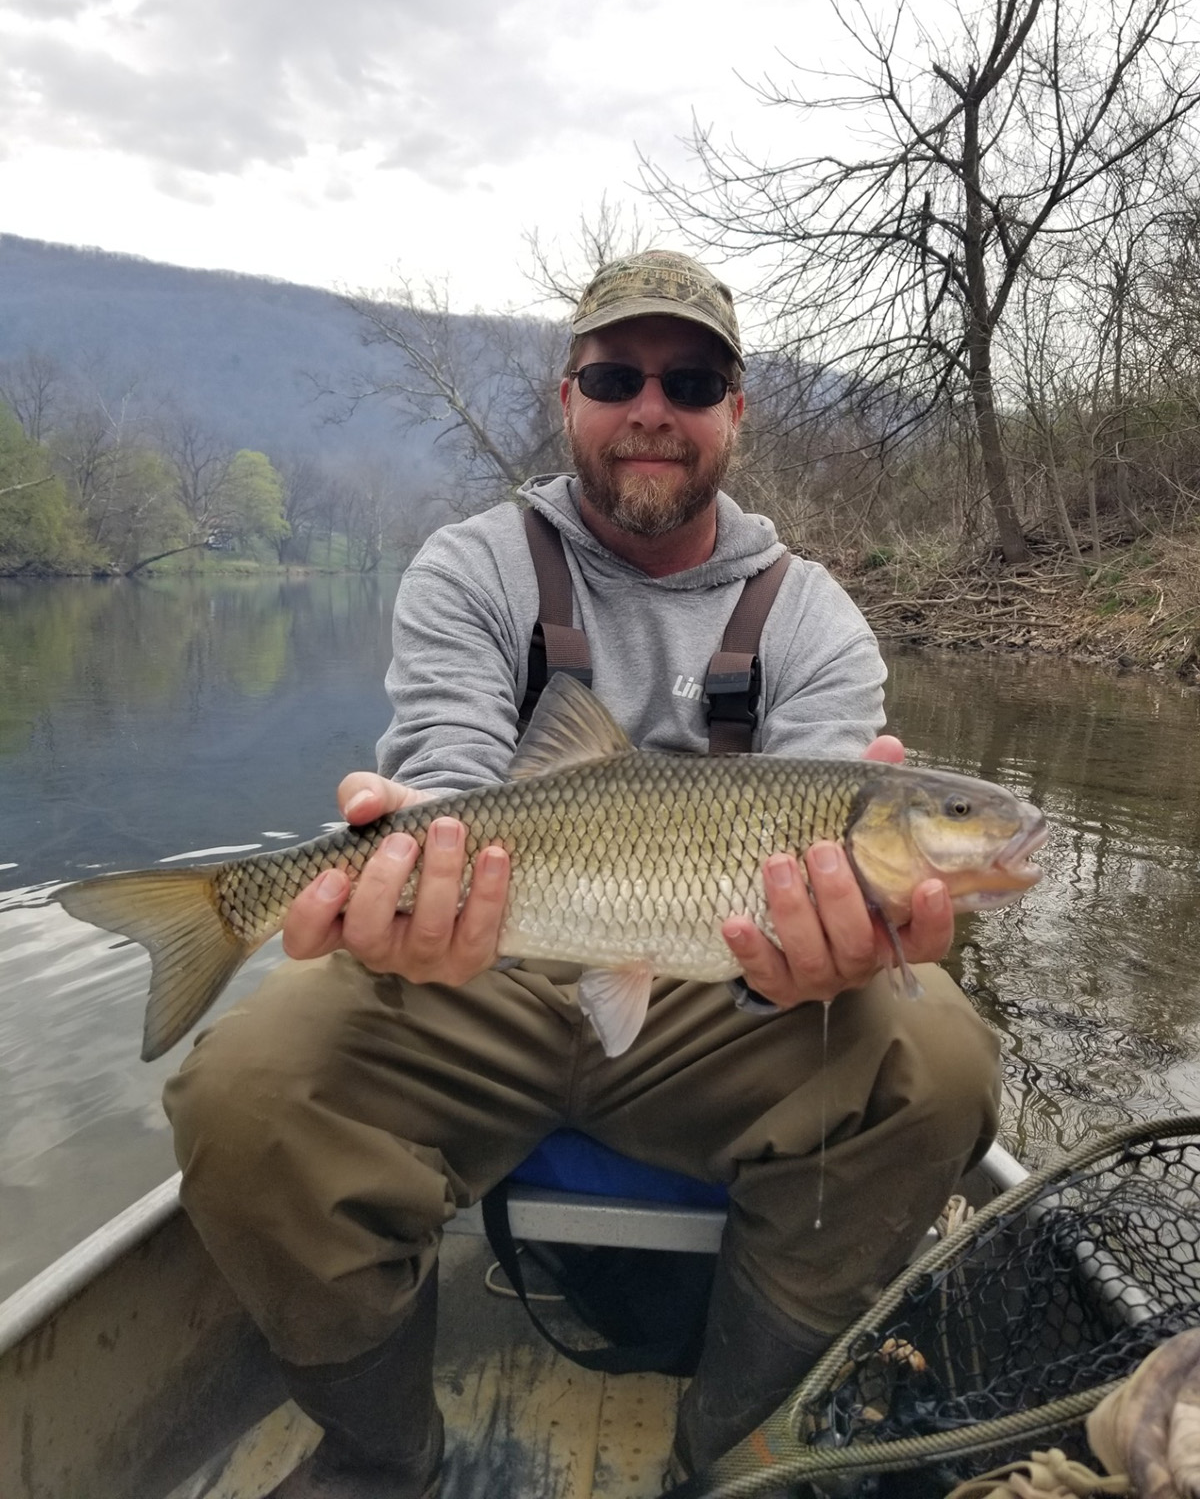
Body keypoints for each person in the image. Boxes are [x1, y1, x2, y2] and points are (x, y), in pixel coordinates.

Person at [164, 250, 1001, 1499]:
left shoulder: (812, 615)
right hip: (478, 971)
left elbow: (816, 904)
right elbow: (446, 778)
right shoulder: (474, 567)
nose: (651, 408)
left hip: (719, 998)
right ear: (569, 399)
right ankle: (383, 1456)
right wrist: (410, 874)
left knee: (938, 1062)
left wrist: (812, 962)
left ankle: (736, 1453)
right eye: (616, 377)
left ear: (736, 410)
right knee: (240, 1087)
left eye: (691, 381)